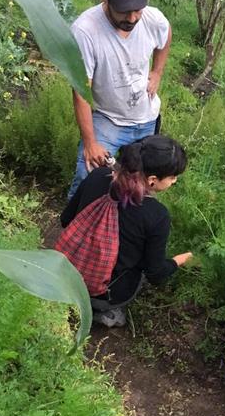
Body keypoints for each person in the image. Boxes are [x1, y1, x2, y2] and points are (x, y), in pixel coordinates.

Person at [60, 135, 192, 327]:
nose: (175, 181)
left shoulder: (98, 176)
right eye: (173, 177)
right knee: (137, 270)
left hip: (64, 269)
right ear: (153, 180)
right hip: (104, 291)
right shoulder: (156, 215)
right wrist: (179, 260)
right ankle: (105, 310)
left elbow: (66, 220)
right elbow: (155, 273)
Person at [68, 0, 172, 198]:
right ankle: (74, 227)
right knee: (89, 173)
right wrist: (91, 142)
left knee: (142, 184)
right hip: (109, 120)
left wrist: (157, 72)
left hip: (147, 118)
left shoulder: (152, 19)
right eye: (124, 10)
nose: (133, 18)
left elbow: (166, 35)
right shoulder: (85, 31)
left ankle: (121, 227)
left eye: (137, 9)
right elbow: (81, 90)